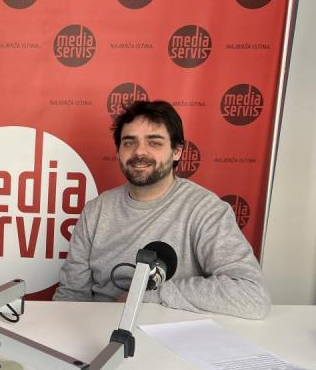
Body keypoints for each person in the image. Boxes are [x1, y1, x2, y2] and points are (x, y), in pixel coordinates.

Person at [53, 100, 270, 319]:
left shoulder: (206, 210)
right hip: (97, 327)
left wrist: (145, 297)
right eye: (129, 142)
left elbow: (251, 295)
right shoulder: (95, 211)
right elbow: (71, 295)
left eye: (154, 142)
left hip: (169, 331)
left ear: (177, 151)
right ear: (118, 152)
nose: (139, 151)